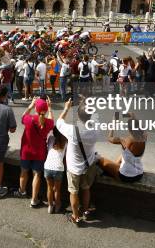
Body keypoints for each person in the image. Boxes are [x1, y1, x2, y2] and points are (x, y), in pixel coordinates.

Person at [56, 97, 98, 226]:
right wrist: (86, 103)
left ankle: (75, 216)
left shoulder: (72, 130)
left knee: (73, 191)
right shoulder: (95, 129)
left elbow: (59, 122)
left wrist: (66, 108)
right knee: (86, 188)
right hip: (88, 165)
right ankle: (85, 210)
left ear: (78, 116)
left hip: (74, 168)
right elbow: (95, 115)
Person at [15, 97, 54, 207]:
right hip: (39, 152)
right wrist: (50, 108)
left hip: (26, 151)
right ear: (45, 110)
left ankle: (22, 191)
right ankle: (34, 199)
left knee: (23, 171)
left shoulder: (29, 119)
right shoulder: (48, 123)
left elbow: (22, 117)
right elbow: (52, 121)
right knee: (37, 174)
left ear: (36, 109)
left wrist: (31, 106)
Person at [97, 116, 146, 182]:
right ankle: (114, 166)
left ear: (129, 129)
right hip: (139, 174)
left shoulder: (124, 141)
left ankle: (112, 170)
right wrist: (129, 115)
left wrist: (113, 123)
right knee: (124, 154)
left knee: (99, 159)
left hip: (125, 176)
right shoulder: (144, 136)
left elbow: (109, 138)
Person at [44, 126, 67, 214]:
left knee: (49, 188)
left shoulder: (50, 139)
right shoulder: (65, 141)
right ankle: (57, 206)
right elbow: (65, 157)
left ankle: (50, 206)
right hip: (58, 168)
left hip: (48, 166)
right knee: (57, 190)